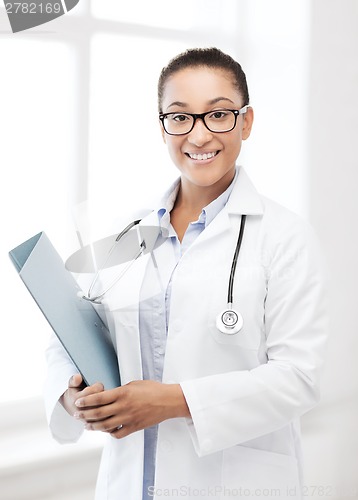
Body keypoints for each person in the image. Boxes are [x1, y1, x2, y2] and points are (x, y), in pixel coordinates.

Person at [44, 47, 327, 500]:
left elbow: (299, 378)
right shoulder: (127, 234)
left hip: (234, 482)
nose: (198, 135)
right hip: (131, 480)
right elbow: (69, 338)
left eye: (218, 115)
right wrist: (70, 395)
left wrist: (172, 401)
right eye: (180, 117)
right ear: (162, 127)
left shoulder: (285, 236)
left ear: (246, 122)